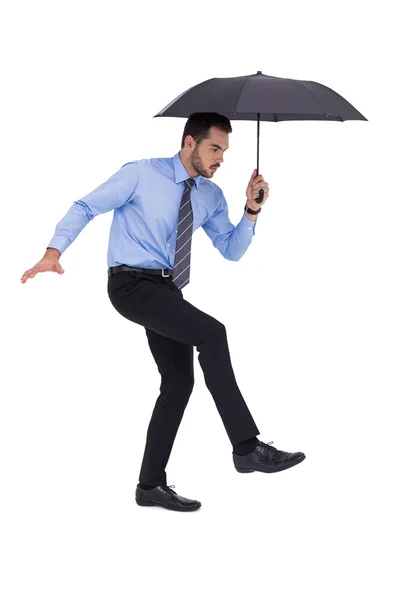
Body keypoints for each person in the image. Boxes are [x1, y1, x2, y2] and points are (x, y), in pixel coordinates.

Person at [21, 112, 305, 512]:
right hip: (130, 284)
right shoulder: (141, 174)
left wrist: (251, 210)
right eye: (214, 148)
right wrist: (53, 252)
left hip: (166, 289)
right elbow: (86, 206)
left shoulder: (209, 195)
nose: (220, 158)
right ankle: (246, 447)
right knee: (213, 333)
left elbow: (231, 249)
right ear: (189, 142)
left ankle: (150, 485)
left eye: (224, 150)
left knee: (179, 381)